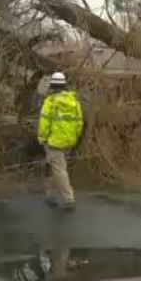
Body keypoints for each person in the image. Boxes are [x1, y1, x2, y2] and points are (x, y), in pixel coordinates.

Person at [38, 72, 84, 210]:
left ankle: (68, 199)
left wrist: (42, 139)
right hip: (69, 141)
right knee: (54, 166)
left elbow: (44, 124)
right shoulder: (74, 102)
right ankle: (50, 195)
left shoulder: (50, 102)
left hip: (53, 142)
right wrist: (74, 137)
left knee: (59, 170)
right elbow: (79, 123)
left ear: (52, 87)